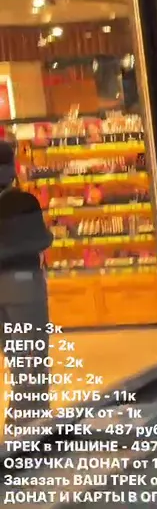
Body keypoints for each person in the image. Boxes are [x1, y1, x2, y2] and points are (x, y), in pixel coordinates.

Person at [0, 141, 55, 431]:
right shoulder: (22, 202)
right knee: (32, 356)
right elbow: (39, 240)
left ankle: (18, 418)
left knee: (14, 354)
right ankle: (30, 423)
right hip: (22, 284)